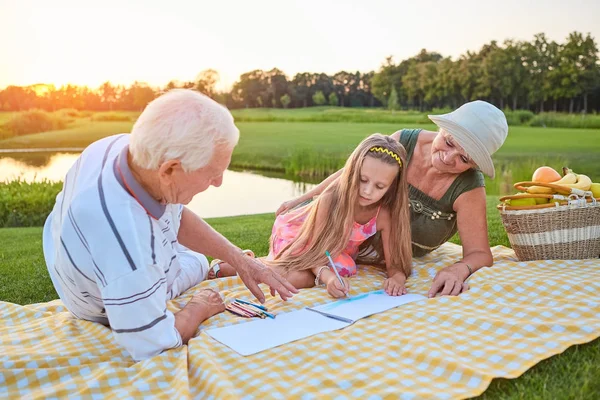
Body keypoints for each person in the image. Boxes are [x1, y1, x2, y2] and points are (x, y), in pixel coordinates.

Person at [42, 89, 297, 361]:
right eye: (212, 174)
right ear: (168, 171)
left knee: (195, 259)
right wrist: (197, 308)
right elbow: (153, 344)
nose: (219, 183)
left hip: (75, 253)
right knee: (197, 262)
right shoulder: (128, 244)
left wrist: (240, 259)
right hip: (95, 303)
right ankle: (208, 271)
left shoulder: (127, 150)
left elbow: (176, 215)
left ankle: (212, 267)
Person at [277, 100, 509, 298]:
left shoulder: (468, 188)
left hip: (368, 252)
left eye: (464, 158)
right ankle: (250, 266)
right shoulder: (403, 144)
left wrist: (458, 270)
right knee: (300, 269)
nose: (449, 158)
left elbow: (480, 253)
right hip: (340, 233)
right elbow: (350, 174)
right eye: (448, 142)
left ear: (475, 164)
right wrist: (304, 199)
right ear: (441, 129)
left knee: (304, 275)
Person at [210, 134, 413, 298]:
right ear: (352, 173)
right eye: (363, 180)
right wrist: (329, 278)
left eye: (379, 186)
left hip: (333, 250)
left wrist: (397, 278)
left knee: (309, 276)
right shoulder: (331, 199)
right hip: (302, 237)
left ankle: (253, 262)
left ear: (392, 187)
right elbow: (313, 252)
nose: (368, 191)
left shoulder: (383, 215)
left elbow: (395, 265)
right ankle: (234, 265)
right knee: (295, 278)